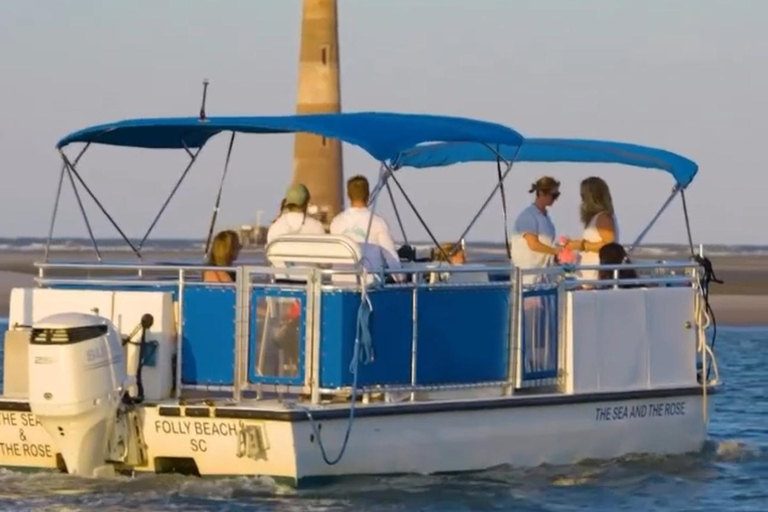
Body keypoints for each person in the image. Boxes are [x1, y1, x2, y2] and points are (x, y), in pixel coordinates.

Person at [330, 175, 402, 280]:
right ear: (367, 194)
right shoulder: (378, 222)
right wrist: (401, 278)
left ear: (348, 195)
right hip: (370, 285)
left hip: (339, 281)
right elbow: (391, 256)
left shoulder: (336, 222)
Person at [510, 176, 564, 285]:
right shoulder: (528, 216)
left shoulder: (546, 218)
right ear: (541, 193)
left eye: (557, 195)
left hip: (544, 277)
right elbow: (533, 244)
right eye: (553, 195)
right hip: (528, 279)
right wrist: (556, 251)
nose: (555, 199)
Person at [565, 177, 620, 282]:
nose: (582, 200)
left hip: (596, 276)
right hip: (588, 275)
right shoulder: (597, 218)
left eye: (583, 196)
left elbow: (609, 247)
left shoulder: (603, 218)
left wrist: (582, 246)